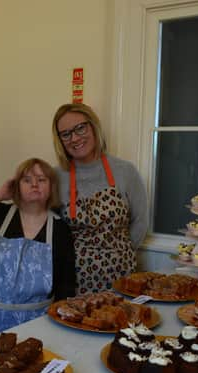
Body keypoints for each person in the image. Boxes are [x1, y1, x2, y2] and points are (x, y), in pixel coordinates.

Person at [0, 158, 76, 340]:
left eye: (41, 180)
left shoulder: (60, 228)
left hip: (36, 325)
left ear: (51, 187)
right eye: (26, 180)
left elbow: (66, 282)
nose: (34, 184)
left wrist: (61, 321)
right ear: (16, 186)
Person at [51, 103, 148, 295]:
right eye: (66, 134)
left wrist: (116, 255)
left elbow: (140, 223)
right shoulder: (55, 178)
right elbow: (48, 230)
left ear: (93, 126)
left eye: (80, 128)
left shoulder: (125, 171)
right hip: (72, 283)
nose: (75, 138)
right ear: (60, 140)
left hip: (121, 278)